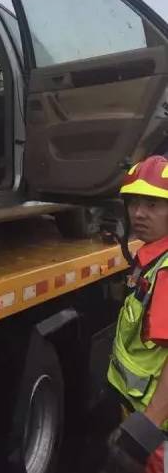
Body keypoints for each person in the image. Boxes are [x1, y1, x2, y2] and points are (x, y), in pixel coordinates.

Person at [104, 155, 168, 472]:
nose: (139, 213)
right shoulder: (151, 258)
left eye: (153, 204)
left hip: (157, 434)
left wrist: (147, 428)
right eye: (134, 202)